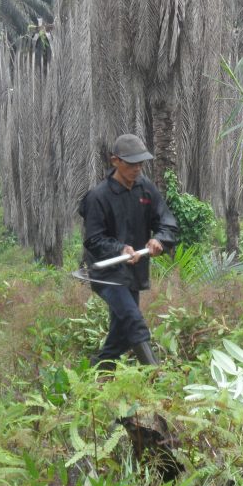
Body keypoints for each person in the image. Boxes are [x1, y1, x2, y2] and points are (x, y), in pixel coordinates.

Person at [80, 134, 178, 367]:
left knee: (121, 333)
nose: (137, 168)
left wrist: (159, 240)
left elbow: (167, 222)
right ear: (115, 161)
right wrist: (120, 249)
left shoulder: (146, 189)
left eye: (140, 163)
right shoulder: (98, 197)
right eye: (131, 163)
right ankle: (157, 377)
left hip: (134, 273)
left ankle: (99, 373)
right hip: (108, 275)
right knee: (134, 321)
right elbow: (93, 240)